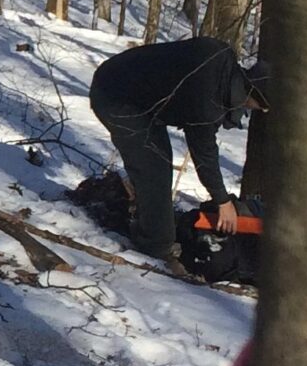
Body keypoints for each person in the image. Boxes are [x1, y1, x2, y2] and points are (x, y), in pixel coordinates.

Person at [88, 35, 268, 276]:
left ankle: (144, 214)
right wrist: (223, 201)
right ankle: (156, 250)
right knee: (154, 170)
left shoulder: (222, 63)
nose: (262, 111)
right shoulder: (209, 94)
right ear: (254, 97)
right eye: (262, 106)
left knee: (157, 161)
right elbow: (204, 151)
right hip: (115, 95)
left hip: (135, 94)